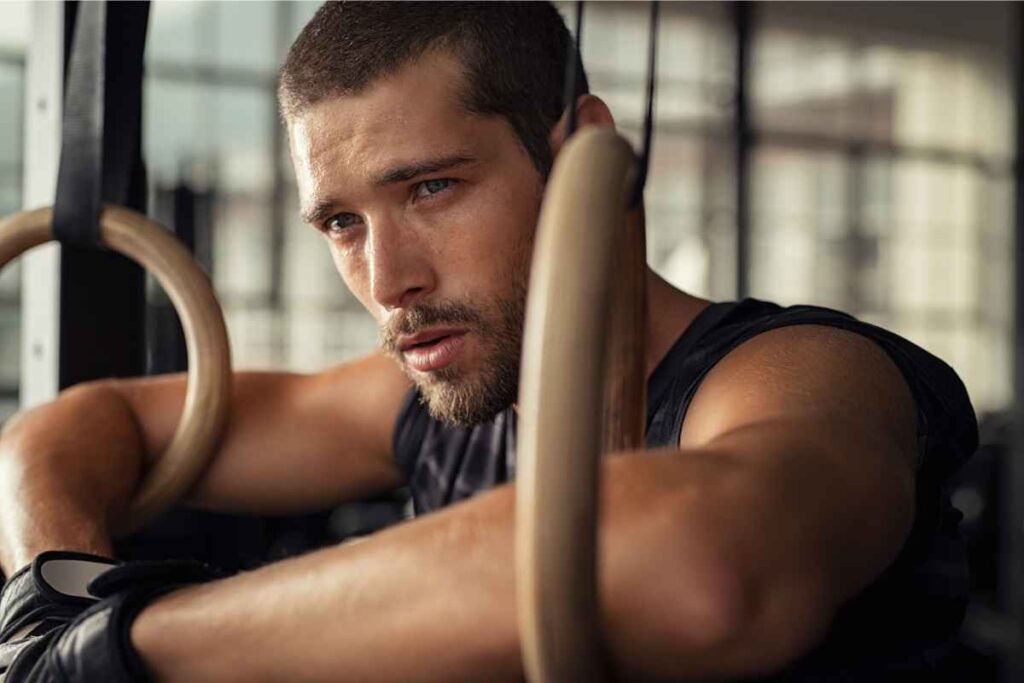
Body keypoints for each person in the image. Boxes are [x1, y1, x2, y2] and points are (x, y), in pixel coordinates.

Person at [0, 2, 977, 681]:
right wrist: (59, 594)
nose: (388, 281)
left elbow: (699, 560)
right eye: (341, 222)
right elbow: (78, 426)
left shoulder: (795, 371)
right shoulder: (430, 400)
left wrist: (133, 645)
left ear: (577, 148)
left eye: (430, 188)